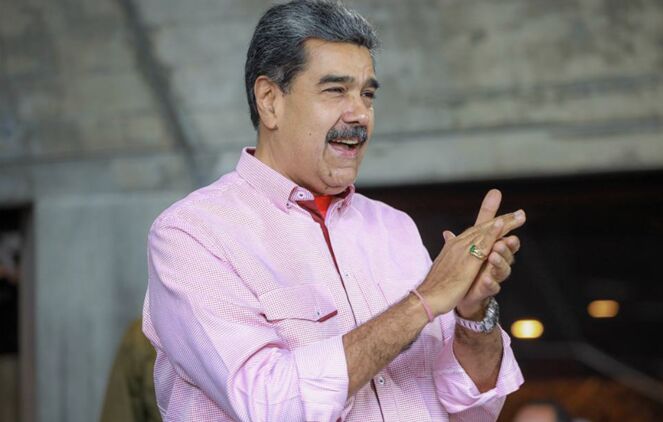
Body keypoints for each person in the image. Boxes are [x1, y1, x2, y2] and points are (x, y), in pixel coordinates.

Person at [143, 1, 526, 421]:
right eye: (335, 91)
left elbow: (474, 410)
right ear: (270, 100)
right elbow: (270, 405)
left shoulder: (394, 228)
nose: (359, 113)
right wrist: (425, 300)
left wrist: (473, 314)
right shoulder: (192, 234)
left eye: (367, 94)